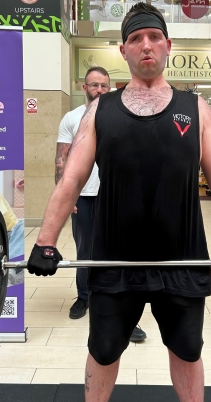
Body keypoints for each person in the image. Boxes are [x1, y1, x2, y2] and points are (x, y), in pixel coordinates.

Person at [27, 3, 211, 402]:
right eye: (137, 39)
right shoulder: (101, 110)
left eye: (155, 36)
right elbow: (71, 178)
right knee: (104, 347)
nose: (147, 45)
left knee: (188, 348)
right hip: (115, 258)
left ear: (169, 46)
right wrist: (46, 241)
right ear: (124, 50)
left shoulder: (194, 106)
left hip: (181, 256)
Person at [56, 66, 147, 342]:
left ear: (110, 88)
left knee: (120, 253)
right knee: (85, 251)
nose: (99, 90)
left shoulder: (121, 116)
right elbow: (61, 160)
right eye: (94, 85)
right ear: (85, 88)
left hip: (116, 197)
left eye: (104, 86)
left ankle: (124, 314)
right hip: (82, 197)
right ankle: (84, 298)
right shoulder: (71, 119)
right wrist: (65, 196)